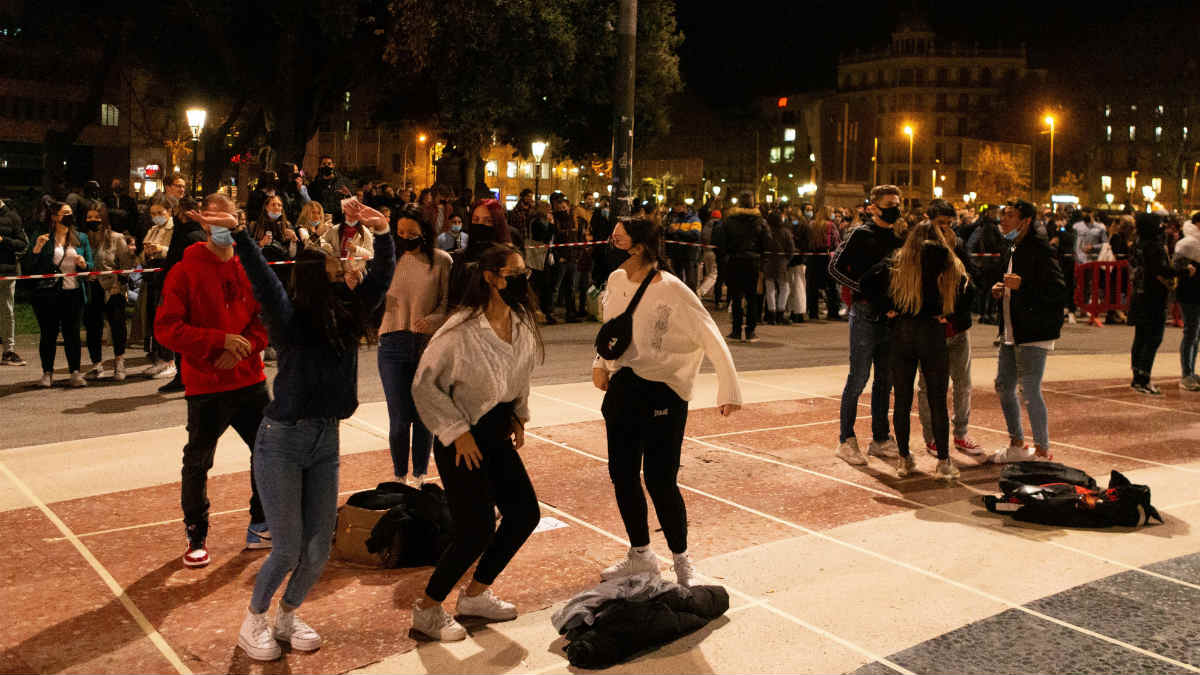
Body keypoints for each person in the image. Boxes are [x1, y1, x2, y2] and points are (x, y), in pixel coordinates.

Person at [230, 198, 394, 661]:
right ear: (312, 272)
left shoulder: (348, 313)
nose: (343, 264)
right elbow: (264, 282)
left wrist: (382, 233)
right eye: (332, 261)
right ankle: (254, 621)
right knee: (285, 548)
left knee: (319, 548)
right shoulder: (290, 320)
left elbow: (382, 278)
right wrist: (242, 235)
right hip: (282, 440)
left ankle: (287, 614)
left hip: (326, 438)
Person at [592, 218, 742, 587]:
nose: (611, 243)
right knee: (622, 476)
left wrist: (729, 389)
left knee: (661, 480)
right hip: (623, 390)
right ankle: (640, 554)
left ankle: (681, 559)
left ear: (640, 246)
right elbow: (611, 330)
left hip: (664, 393)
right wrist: (600, 363)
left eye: (618, 237)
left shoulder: (674, 290)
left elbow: (710, 336)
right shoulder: (614, 281)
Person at [410, 244, 543, 642]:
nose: (522, 281)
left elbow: (520, 373)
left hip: (497, 432)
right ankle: (427, 609)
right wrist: (456, 432)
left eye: (525, 273)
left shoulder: (519, 323)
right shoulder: (459, 331)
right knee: (476, 529)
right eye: (513, 274)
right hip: (462, 437)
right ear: (490, 277)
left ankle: (475, 596)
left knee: (524, 514)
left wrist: (519, 412)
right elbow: (424, 386)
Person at [155, 192, 273, 568]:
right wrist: (217, 342)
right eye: (215, 221)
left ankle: (261, 522)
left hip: (249, 379)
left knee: (268, 452)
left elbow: (266, 319)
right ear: (204, 223)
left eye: (230, 221)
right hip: (207, 385)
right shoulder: (185, 270)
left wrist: (245, 346)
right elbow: (167, 329)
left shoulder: (248, 267)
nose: (223, 228)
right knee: (199, 460)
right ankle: (196, 534)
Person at [861, 219, 966, 480]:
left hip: (902, 331)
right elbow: (967, 292)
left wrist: (886, 309)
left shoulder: (899, 260)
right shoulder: (949, 262)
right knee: (937, 400)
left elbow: (865, 283)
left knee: (902, 400)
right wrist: (950, 317)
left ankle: (905, 459)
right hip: (932, 331)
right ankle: (943, 461)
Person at [828, 185, 905, 465]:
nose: (894, 208)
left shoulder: (899, 236)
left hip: (892, 316)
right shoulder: (860, 234)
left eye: (897, 203)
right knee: (858, 378)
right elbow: (834, 268)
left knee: (885, 380)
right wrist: (861, 290)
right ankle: (846, 440)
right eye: (888, 204)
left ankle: (881, 438)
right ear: (872, 207)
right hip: (865, 313)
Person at [379, 205, 451, 485]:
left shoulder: (442, 261)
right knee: (399, 419)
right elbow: (370, 295)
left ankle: (420, 475)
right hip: (392, 342)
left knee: (423, 417)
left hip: (426, 344)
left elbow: (447, 304)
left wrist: (435, 319)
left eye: (412, 233)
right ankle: (399, 477)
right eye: (400, 233)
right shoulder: (388, 260)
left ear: (424, 232)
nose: (406, 238)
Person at [990, 199, 1066, 463]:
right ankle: (1017, 443)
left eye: (1009, 215)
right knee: (1003, 385)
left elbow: (1057, 291)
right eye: (1003, 214)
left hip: (1034, 331)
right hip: (1012, 329)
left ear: (1026, 221)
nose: (1003, 219)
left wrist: (1025, 286)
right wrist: (999, 290)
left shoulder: (1040, 250)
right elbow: (1009, 283)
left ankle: (1043, 449)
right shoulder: (1010, 247)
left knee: (1029, 389)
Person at [916, 201, 981, 456]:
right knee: (930, 386)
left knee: (963, 383)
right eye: (940, 223)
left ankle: (961, 433)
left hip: (958, 326)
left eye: (949, 223)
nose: (945, 228)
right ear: (928, 220)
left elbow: (972, 279)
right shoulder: (918, 249)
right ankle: (931, 436)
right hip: (931, 329)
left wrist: (954, 251)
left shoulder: (958, 245)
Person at [26, 202, 92, 387]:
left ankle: (75, 372)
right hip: (49, 294)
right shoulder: (44, 238)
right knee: (49, 334)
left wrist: (84, 264)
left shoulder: (81, 238)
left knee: (73, 334)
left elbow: (91, 265)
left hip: (74, 293)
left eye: (70, 213)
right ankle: (47, 373)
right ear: (54, 216)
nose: (69, 216)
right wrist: (37, 249)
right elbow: (30, 267)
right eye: (65, 213)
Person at [156, 198, 208, 394]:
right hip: (188, 292)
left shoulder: (191, 235)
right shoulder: (191, 233)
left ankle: (187, 377)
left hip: (188, 293)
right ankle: (186, 376)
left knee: (186, 337)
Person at [82, 205, 135, 381]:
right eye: (89, 217)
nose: (92, 220)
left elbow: (127, 264)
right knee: (92, 327)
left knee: (117, 326)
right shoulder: (83, 239)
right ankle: (96, 365)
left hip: (112, 288)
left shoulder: (116, 238)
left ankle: (119, 363)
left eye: (96, 217)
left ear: (103, 218)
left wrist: (119, 284)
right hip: (91, 287)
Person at [1128, 212, 1179, 395]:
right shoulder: (1155, 247)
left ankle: (1137, 377)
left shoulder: (1137, 245)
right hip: (1154, 297)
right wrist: (1181, 271)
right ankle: (1145, 378)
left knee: (1140, 337)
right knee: (1154, 338)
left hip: (1139, 294)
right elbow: (1161, 269)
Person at [714, 193, 770, 342]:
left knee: (736, 298)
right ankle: (750, 331)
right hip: (752, 262)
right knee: (752, 298)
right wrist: (762, 258)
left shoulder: (729, 220)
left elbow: (720, 241)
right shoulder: (760, 221)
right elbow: (767, 242)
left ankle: (736, 330)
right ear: (753, 204)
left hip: (734, 261)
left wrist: (725, 256)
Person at [140, 196, 177, 378]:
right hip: (152, 278)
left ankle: (170, 361)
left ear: (169, 212)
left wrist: (160, 249)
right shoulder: (152, 229)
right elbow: (142, 255)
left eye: (160, 213)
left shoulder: (175, 229)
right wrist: (145, 252)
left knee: (166, 318)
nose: (156, 217)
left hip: (168, 278)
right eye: (153, 213)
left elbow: (177, 252)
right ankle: (160, 360)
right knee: (154, 319)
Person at [0, 196, 28, 365]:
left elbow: (23, 243)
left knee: (7, 311)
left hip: (6, 271)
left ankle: (8, 351)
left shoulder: (12, 217)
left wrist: (4, 241)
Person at [806, 206, 842, 320]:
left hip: (812, 258)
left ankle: (813, 313)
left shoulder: (811, 224)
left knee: (812, 286)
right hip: (826, 257)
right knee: (831, 286)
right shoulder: (831, 225)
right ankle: (832, 312)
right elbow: (836, 242)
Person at [762, 211, 796, 325]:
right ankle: (780, 313)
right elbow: (791, 249)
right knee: (784, 288)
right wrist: (787, 259)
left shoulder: (766, 232)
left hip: (768, 262)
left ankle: (771, 315)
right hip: (781, 263)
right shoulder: (786, 232)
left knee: (770, 289)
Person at [308, 155, 351, 223]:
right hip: (322, 220)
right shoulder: (314, 185)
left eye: (329, 164)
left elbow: (349, 201)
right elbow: (313, 204)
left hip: (340, 220)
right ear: (320, 166)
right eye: (324, 164)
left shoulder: (343, 182)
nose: (326, 166)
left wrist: (348, 195)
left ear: (333, 165)